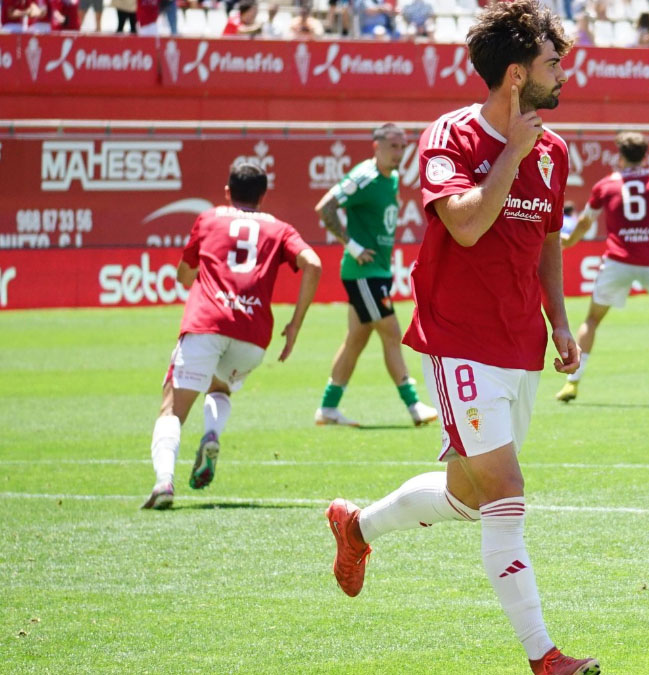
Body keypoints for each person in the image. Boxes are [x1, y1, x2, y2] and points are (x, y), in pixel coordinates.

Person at [324, 2, 600, 673]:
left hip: (519, 344)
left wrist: (559, 319)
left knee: (468, 498)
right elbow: (468, 226)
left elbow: (547, 242)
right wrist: (512, 154)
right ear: (515, 76)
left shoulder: (555, 150)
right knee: (506, 490)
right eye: (551, 62)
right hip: (459, 340)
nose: (563, 71)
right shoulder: (449, 138)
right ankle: (545, 656)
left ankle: (355, 526)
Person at [141, 163, 322, 509]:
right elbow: (312, 263)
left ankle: (164, 481)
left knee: (172, 408)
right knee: (220, 386)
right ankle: (213, 434)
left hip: (206, 323)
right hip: (253, 335)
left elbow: (184, 275)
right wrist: (295, 323)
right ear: (263, 195)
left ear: (228, 192)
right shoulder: (280, 228)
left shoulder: (209, 219)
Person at [556, 131, 649, 403]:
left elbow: (585, 222)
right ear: (646, 154)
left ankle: (572, 384)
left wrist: (569, 242)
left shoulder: (606, 185)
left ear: (620, 155)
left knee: (592, 320)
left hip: (617, 262)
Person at [313, 124, 438, 429]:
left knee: (356, 339)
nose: (399, 152)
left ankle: (328, 409)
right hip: (363, 272)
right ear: (376, 145)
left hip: (377, 270)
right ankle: (413, 406)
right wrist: (352, 246)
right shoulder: (363, 177)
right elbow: (325, 207)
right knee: (392, 332)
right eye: (393, 146)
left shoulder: (391, 178)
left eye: (403, 146)